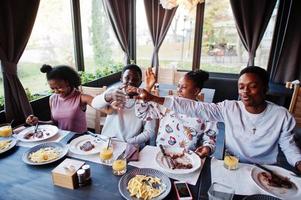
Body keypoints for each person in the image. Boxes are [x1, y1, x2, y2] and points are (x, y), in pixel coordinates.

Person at [128, 66, 301, 172]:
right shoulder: (229, 107)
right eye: (241, 87)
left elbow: (288, 145)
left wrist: (298, 162)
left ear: (265, 88)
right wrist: (151, 94)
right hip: (165, 155)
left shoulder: (281, 116)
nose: (245, 92)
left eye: (252, 86)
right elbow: (190, 108)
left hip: (262, 168)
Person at [135, 68, 217, 157]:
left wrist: (207, 148)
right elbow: (142, 114)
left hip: (188, 158)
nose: (179, 90)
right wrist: (147, 87)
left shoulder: (206, 112)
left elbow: (210, 140)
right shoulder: (166, 104)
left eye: (184, 87)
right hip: (161, 155)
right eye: (178, 86)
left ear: (196, 91)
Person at [91, 64, 156, 146]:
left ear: (140, 82)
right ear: (121, 79)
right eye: (127, 78)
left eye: (135, 79)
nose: (131, 81)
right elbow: (94, 103)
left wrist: (129, 142)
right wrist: (109, 96)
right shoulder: (113, 92)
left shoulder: (146, 100)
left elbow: (149, 131)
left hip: (129, 145)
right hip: (107, 142)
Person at [26, 64, 94, 133]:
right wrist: (38, 122)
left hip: (81, 139)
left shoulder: (81, 97)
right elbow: (54, 123)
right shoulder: (52, 99)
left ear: (68, 82)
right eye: (52, 88)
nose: (56, 91)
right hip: (61, 139)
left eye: (59, 87)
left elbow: (101, 104)